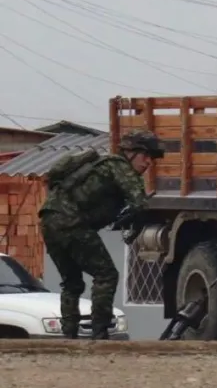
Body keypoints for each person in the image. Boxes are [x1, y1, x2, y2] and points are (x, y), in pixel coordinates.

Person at [39, 129, 163, 339]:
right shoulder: (120, 166)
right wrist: (136, 220)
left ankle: (69, 336)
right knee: (106, 275)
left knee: (72, 282)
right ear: (130, 152)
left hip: (49, 221)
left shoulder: (101, 165)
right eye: (145, 155)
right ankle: (100, 333)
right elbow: (139, 203)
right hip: (73, 224)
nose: (148, 162)